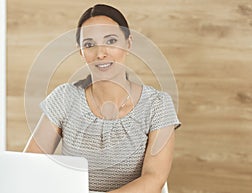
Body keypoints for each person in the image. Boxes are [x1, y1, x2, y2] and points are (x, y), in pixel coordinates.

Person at [24, 4, 181, 193]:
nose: (100, 53)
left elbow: (154, 178)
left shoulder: (158, 105)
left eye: (111, 41)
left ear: (128, 43)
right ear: (81, 51)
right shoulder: (64, 98)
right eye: (89, 45)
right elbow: (29, 166)